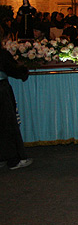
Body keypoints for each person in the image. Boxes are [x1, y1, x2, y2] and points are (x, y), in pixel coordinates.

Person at [0, 26, 33, 170]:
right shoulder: (1, 54)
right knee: (7, 123)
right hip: (1, 91)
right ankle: (13, 159)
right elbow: (13, 69)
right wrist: (23, 69)